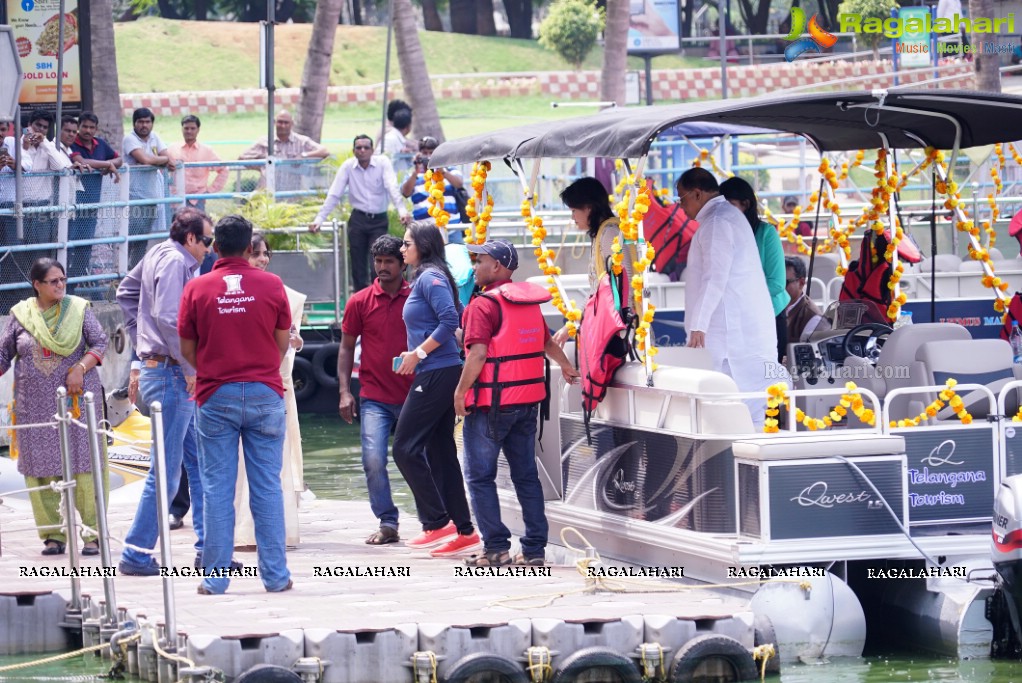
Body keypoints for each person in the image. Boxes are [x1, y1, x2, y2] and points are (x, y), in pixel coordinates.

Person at [178, 214, 293, 595]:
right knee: (267, 489)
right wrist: (259, 368)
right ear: (249, 248)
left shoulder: (197, 288)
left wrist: (214, 368)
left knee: (216, 489)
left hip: (215, 395)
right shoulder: (272, 284)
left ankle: (214, 579)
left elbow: (187, 349)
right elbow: (281, 343)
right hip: (264, 392)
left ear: (214, 247)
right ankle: (275, 577)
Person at [454, 239, 579, 567]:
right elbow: (546, 342)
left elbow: (478, 353)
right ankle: (535, 549)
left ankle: (495, 548)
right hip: (527, 402)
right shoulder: (527, 304)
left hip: (492, 406)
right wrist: (566, 365)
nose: (474, 266)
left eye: (479, 260)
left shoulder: (482, 305)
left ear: (496, 266)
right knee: (526, 475)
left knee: (479, 477)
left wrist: (459, 393)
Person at [115, 207, 214, 576]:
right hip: (173, 374)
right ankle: (137, 552)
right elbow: (171, 319)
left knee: (199, 463)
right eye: (206, 241)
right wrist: (190, 367)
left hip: (164, 368)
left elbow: (127, 292)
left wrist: (141, 344)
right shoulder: (175, 262)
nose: (209, 249)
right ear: (191, 238)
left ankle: (208, 547)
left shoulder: (159, 251)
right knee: (168, 472)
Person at [0, 258, 107, 556]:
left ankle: (92, 534)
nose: (60, 285)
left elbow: (99, 343)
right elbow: (3, 355)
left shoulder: (79, 309)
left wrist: (80, 369)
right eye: (53, 281)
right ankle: (53, 536)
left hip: (76, 403)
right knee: (41, 469)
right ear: (37, 285)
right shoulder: (21, 315)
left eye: (63, 280)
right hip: (33, 406)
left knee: (84, 466)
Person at [393, 220, 480, 558]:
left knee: (404, 447)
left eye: (406, 244)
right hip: (437, 369)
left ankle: (436, 520)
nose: (402, 250)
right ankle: (465, 529)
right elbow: (447, 321)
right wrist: (414, 352)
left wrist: (419, 353)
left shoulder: (430, 278)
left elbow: (450, 321)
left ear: (423, 247)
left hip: (438, 373)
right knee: (441, 452)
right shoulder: (427, 278)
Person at [677, 168, 776, 428]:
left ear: (697, 194)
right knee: (746, 405)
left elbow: (715, 277)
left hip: (728, 330)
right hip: (739, 329)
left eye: (682, 199)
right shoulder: (726, 216)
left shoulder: (717, 222)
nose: (681, 207)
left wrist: (699, 324)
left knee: (728, 401)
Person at [338, 234, 413, 545]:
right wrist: (344, 391)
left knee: (420, 458)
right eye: (378, 261)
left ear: (402, 264)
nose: (382, 267)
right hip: (374, 397)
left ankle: (436, 518)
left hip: (414, 395)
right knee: (372, 459)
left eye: (389, 262)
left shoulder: (417, 297)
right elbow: (345, 348)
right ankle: (388, 521)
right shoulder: (359, 301)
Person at [233, 232, 304, 548]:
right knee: (243, 464)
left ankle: (268, 532)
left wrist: (293, 343)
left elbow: (289, 340)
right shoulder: (234, 291)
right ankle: (244, 531)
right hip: (247, 383)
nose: (262, 259)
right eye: (256, 254)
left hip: (275, 384)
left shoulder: (286, 295)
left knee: (268, 465)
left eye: (265, 254)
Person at [309, 135, 410, 292]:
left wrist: (402, 211)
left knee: (376, 263)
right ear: (353, 150)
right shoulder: (348, 166)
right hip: (358, 219)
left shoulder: (382, 163)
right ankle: (361, 300)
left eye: (366, 147)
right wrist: (319, 219)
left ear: (372, 150)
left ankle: (379, 297)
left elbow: (392, 187)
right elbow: (335, 194)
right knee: (357, 265)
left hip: (379, 220)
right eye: (358, 148)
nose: (362, 151)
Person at [555, 176, 636, 345]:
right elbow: (597, 290)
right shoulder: (602, 234)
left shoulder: (610, 234)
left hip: (623, 333)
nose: (572, 217)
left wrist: (621, 332)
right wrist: (573, 324)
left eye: (573, 211)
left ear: (589, 208)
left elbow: (624, 280)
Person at [721, 177, 789, 362]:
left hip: (768, 316)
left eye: (729, 206)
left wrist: (738, 294)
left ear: (746, 204)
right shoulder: (721, 235)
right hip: (736, 319)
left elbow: (777, 284)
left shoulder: (766, 233)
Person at [69, 112, 121, 286]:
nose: (88, 130)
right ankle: (66, 285)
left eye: (92, 127)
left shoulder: (100, 144)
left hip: (92, 205)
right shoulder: (71, 143)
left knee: (85, 246)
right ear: (79, 127)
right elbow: (81, 161)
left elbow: (119, 158)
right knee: (68, 246)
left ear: (96, 129)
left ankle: (79, 284)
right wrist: (107, 165)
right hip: (72, 206)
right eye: (84, 126)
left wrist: (111, 164)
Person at [18, 110, 71, 280]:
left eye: (45, 127)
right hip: (20, 208)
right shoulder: (18, 145)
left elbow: (62, 167)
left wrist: (45, 143)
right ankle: (21, 295)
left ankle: (41, 294)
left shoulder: (47, 147)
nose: (40, 130)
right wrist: (27, 146)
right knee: (19, 256)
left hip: (42, 208)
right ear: (29, 125)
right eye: (37, 126)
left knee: (41, 255)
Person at [123, 108, 176, 268]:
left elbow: (171, 160)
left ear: (152, 123)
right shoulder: (129, 139)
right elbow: (145, 159)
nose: (144, 125)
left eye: (147, 122)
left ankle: (135, 271)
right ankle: (122, 273)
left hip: (151, 197)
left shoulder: (155, 137)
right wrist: (163, 159)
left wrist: (160, 159)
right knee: (131, 238)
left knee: (142, 239)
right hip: (134, 197)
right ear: (134, 124)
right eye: (140, 122)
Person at [401, 136, 464, 244]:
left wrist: (442, 171)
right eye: (425, 153)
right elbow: (405, 192)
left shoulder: (449, 169)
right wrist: (415, 172)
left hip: (451, 228)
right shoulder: (413, 174)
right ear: (420, 154)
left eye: (432, 153)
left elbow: (459, 184)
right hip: (424, 232)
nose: (429, 156)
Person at [167, 115, 228, 211]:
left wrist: (210, 191)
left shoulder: (207, 150)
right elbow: (161, 172)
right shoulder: (172, 149)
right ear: (181, 129)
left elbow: (224, 169)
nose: (189, 131)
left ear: (198, 130)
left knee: (196, 226)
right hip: (175, 199)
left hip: (196, 200)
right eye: (186, 128)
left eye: (192, 128)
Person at [239, 110, 330, 162]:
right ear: (274, 123)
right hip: (269, 190)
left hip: (293, 191)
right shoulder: (264, 142)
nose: (283, 126)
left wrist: (303, 155)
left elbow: (325, 151)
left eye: (286, 123)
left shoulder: (302, 142)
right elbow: (242, 158)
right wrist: (262, 166)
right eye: (280, 122)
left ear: (292, 124)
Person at [785, 256, 831, 344]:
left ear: (801, 283)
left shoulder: (814, 319)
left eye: (785, 282)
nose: (779, 287)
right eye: (777, 282)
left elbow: (809, 355)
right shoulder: (774, 308)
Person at [382, 107, 415, 175]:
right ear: (408, 126)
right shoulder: (390, 139)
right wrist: (398, 155)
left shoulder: (398, 138)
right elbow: (382, 160)